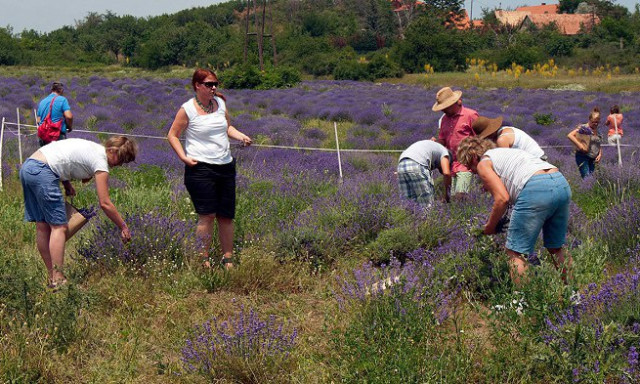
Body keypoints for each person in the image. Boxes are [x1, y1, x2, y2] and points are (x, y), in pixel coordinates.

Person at [20, 136, 137, 288]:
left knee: (43, 227)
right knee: (59, 227)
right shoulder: (101, 160)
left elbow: (61, 158)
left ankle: (53, 278)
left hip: (29, 168)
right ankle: (58, 279)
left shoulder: (93, 149)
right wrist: (123, 226)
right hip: (43, 172)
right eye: (121, 159)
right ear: (112, 151)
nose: (120, 164)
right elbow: (105, 203)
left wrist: (67, 184)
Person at [167, 68, 252, 270]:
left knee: (226, 215)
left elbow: (227, 127)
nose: (213, 88)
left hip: (225, 166)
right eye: (209, 84)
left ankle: (228, 259)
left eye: (215, 84)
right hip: (200, 169)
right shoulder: (187, 109)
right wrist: (183, 157)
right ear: (197, 86)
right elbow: (172, 134)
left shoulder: (220, 104)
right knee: (207, 215)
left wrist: (240, 136)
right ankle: (203, 260)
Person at [457, 137, 572, 285]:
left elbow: (502, 199)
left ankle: (521, 303)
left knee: (515, 252)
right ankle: (572, 295)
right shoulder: (504, 153)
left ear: (473, 157)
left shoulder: (483, 163)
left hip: (535, 188)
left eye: (469, 166)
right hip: (559, 182)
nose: (472, 172)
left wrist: (490, 227)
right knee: (556, 247)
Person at [432, 86, 478, 196]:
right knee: (452, 199)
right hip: (450, 164)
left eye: (445, 107)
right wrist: (434, 144)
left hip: (466, 163)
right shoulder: (444, 119)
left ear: (453, 103)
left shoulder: (471, 115)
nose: (443, 110)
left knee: (460, 196)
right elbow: (442, 141)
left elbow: (480, 138)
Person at [397, 140, 452, 206]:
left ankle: (410, 216)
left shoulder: (432, 147)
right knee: (426, 205)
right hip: (416, 165)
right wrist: (447, 196)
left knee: (407, 203)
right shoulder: (445, 153)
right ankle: (427, 215)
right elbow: (446, 173)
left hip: (402, 164)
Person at [471, 115, 547, 160]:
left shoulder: (502, 140)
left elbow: (505, 163)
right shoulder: (506, 129)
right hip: (539, 159)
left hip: (536, 163)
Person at [567, 107, 602, 178]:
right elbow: (570, 135)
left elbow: (598, 144)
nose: (595, 124)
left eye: (597, 122)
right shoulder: (583, 128)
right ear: (589, 120)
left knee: (592, 178)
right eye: (593, 122)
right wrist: (580, 145)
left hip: (593, 158)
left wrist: (600, 154)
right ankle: (588, 189)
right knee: (586, 177)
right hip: (583, 156)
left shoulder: (598, 131)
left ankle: (590, 189)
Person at [36, 82, 73, 147]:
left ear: (52, 90)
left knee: (46, 157)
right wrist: (69, 126)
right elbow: (69, 116)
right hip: (57, 135)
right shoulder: (62, 99)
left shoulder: (42, 101)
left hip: (43, 136)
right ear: (61, 90)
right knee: (60, 157)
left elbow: (38, 121)